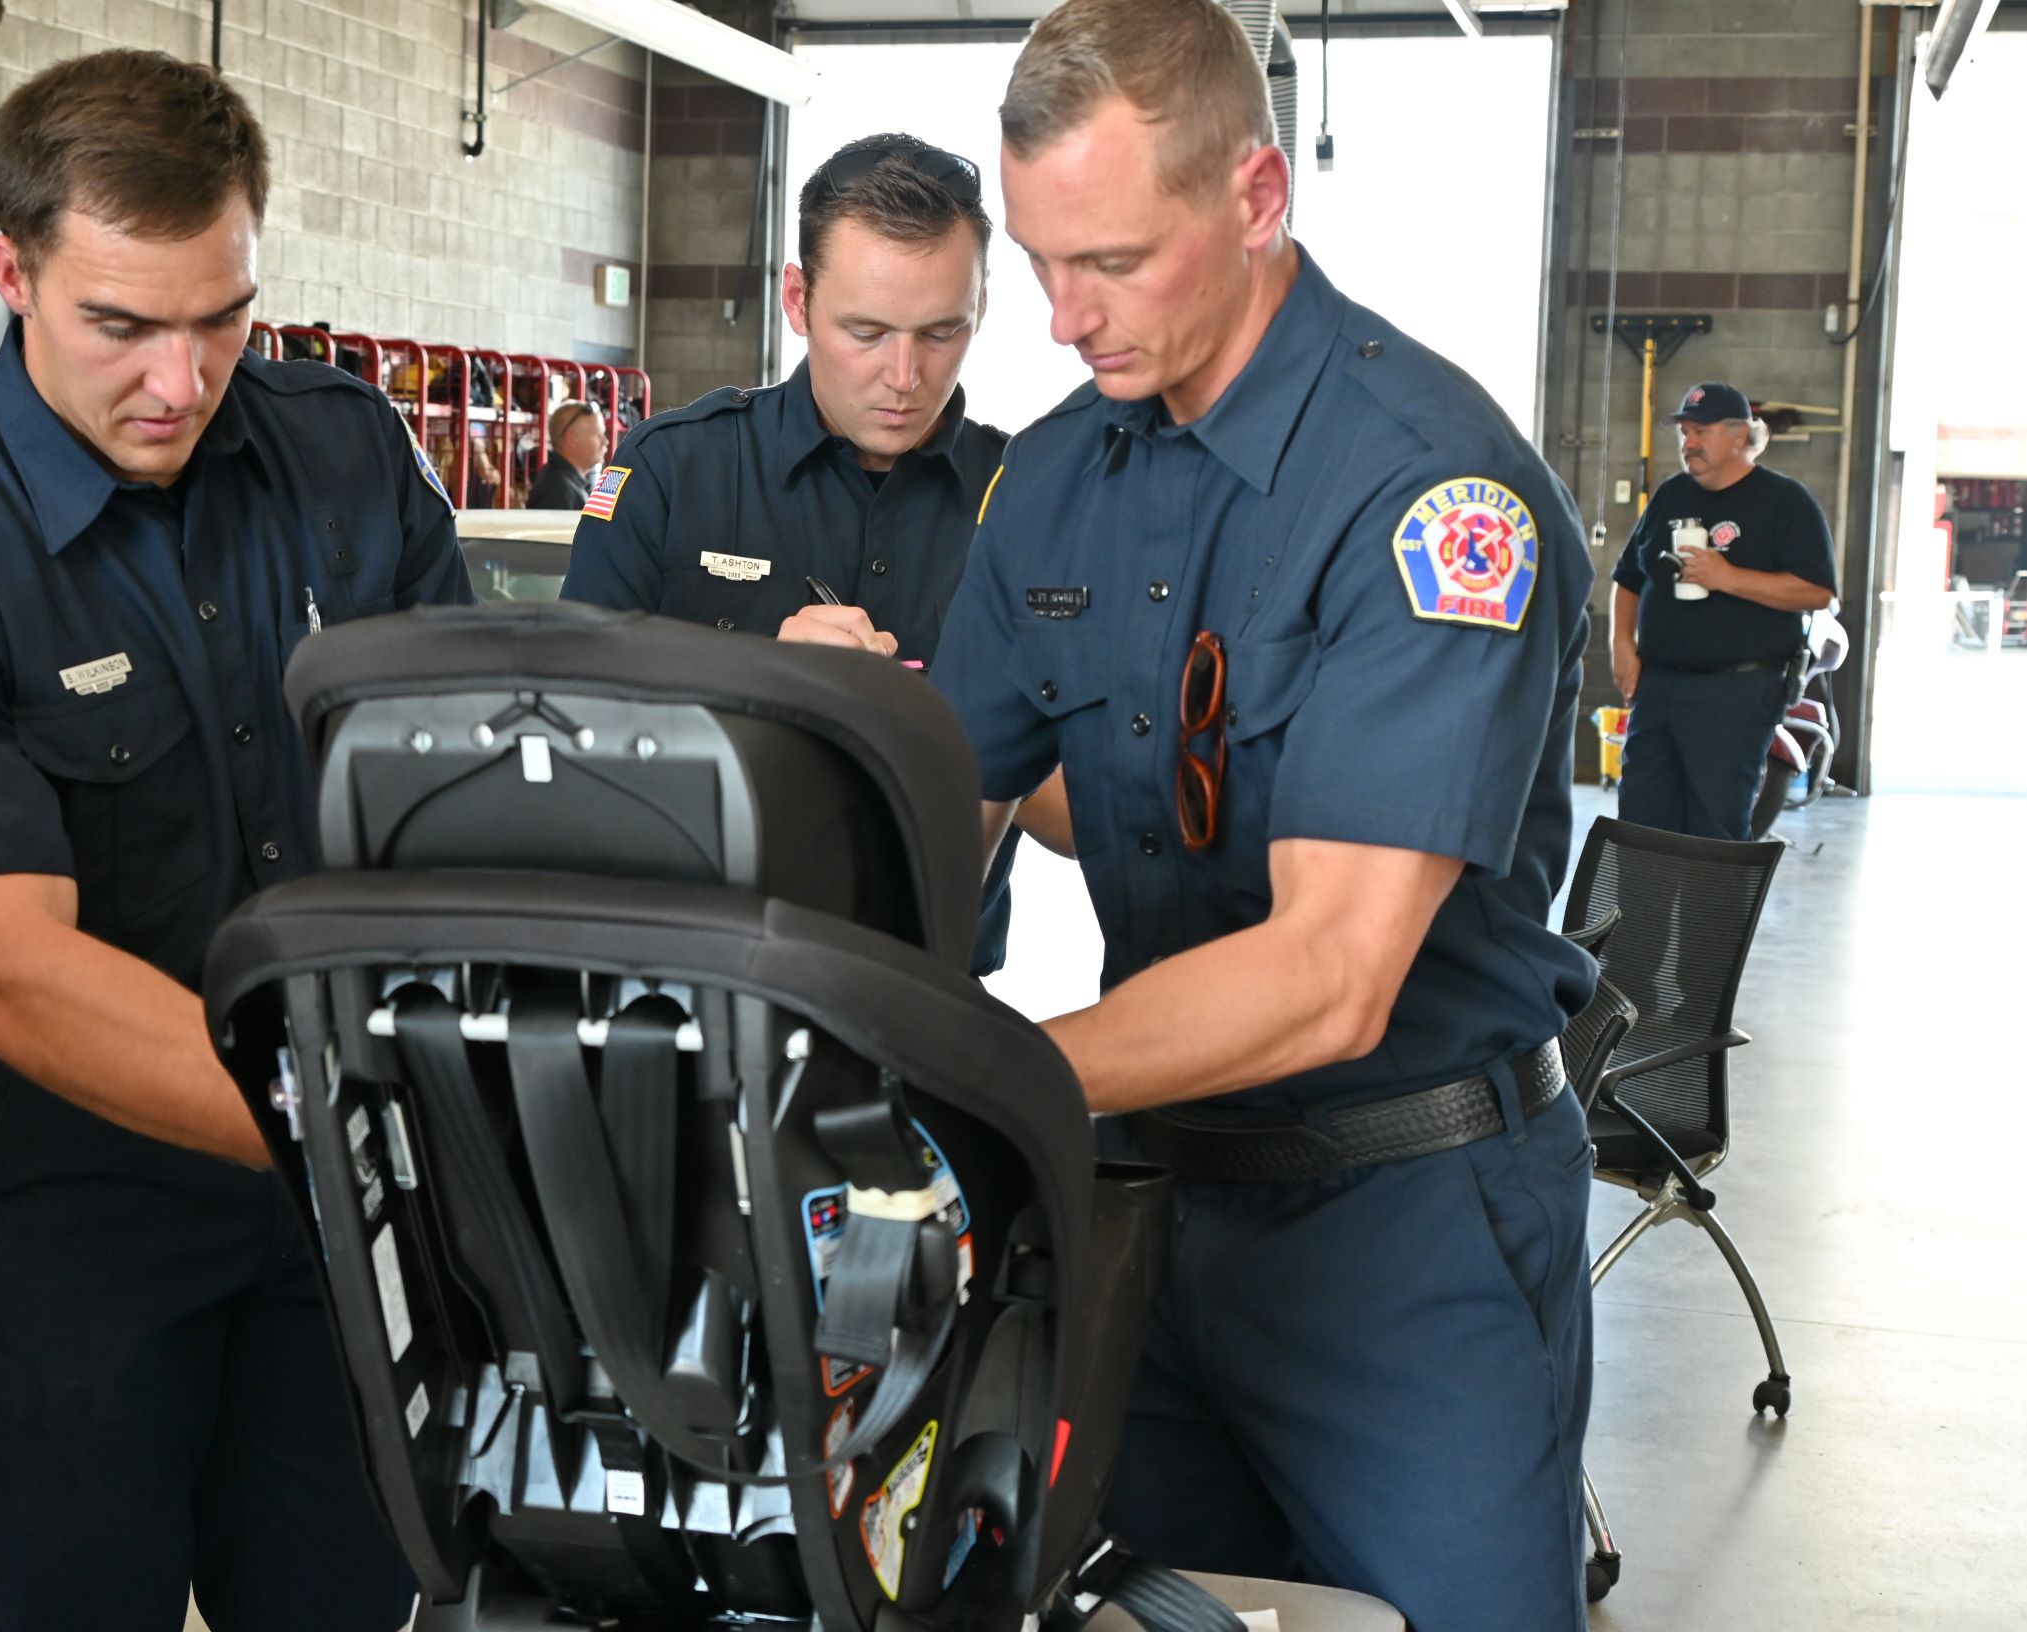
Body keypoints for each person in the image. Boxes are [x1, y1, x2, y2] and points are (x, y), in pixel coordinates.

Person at [928, 3, 1598, 1627]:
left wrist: (992, 1082)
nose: (1061, 315)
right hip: (1145, 1215)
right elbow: (949, 794)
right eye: (1034, 262)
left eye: (1110, 259)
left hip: (1404, 1232)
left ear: (1248, 197)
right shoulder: (1056, 482)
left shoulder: (1427, 497)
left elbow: (1327, 973)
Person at [0, 51, 469, 1631]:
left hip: (343, 1232)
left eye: (221, 316)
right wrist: (340, 1123)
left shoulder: (343, 451)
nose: (182, 378)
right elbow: (14, 971)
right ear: (11, 274)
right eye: (121, 325)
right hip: (81, 1223)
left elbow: (472, 769)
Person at [560, 132, 1029, 971]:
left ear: (981, 306)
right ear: (795, 299)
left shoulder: (1028, 499)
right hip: (691, 976)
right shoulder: (674, 468)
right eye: (866, 331)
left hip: (932, 990)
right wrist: (756, 682)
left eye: (940, 333)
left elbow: (1089, 805)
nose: (903, 376)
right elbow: (564, 727)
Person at [1610, 382, 1836, 839]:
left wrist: (1727, 577)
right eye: (1685, 432)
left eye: (1701, 431)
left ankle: (1705, 914)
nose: (1688, 443)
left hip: (1735, 692)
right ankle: (1641, 913)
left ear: (1739, 437)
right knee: (1640, 822)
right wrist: (1620, 643)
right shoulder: (1672, 496)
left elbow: (1818, 593)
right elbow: (1629, 577)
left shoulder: (1783, 501)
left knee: (1714, 828)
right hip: (1657, 687)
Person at [528, 399, 604, 509]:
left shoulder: (564, 485)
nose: (605, 442)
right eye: (598, 435)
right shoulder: (558, 491)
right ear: (572, 439)